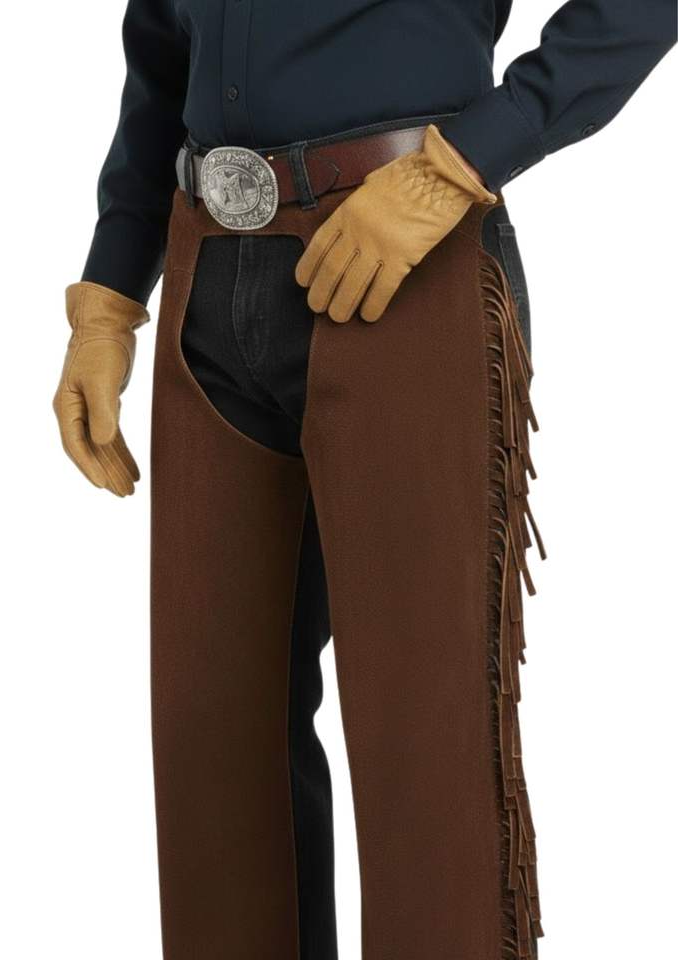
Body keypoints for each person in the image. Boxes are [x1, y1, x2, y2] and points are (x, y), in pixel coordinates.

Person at [53, 3, 676, 958]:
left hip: (402, 262)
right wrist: (107, 297)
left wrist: (461, 163)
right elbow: (162, 51)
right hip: (205, 271)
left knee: (419, 746)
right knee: (211, 750)